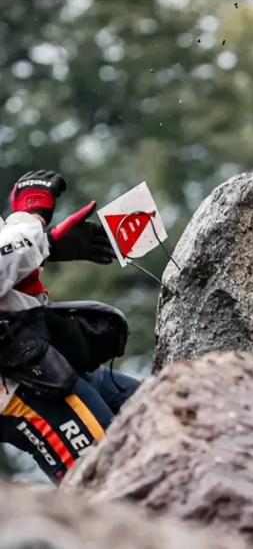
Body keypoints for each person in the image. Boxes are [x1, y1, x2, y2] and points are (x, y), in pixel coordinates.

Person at [0, 170, 140, 481]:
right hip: (19, 385)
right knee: (111, 479)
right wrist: (31, 219)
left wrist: (47, 245)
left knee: (165, 415)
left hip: (39, 359)